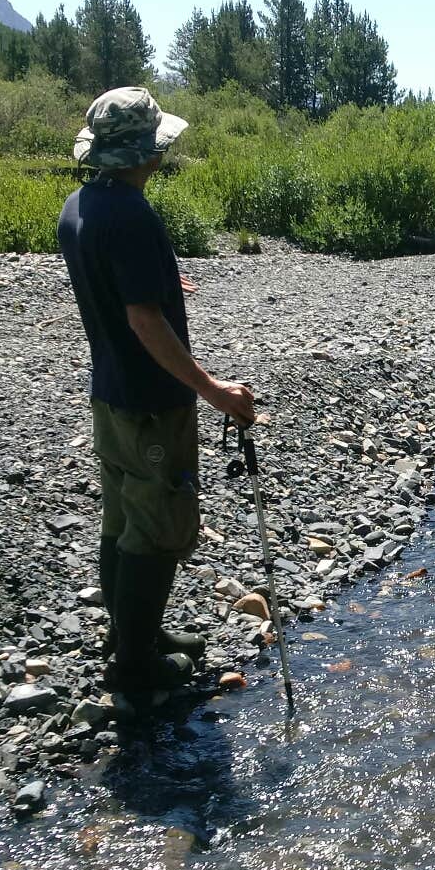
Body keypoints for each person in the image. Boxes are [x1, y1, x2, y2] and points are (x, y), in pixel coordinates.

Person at [58, 87, 255, 691]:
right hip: (149, 401)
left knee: (121, 517)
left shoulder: (83, 204)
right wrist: (216, 391)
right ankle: (137, 666)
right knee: (157, 524)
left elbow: (122, 287)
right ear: (148, 152)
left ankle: (132, 633)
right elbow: (143, 320)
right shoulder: (134, 215)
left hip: (110, 392)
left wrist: (166, 280)